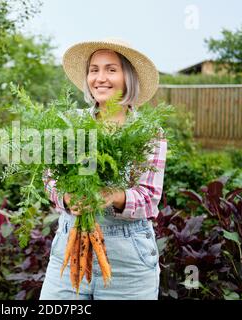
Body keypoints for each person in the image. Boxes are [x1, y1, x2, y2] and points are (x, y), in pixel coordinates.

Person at [39, 38, 168, 300]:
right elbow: (49, 179)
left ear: (127, 77)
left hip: (128, 261)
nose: (100, 78)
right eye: (94, 69)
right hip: (70, 248)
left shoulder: (149, 133)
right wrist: (66, 197)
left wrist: (113, 195)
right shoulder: (69, 123)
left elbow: (150, 200)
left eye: (111, 69)